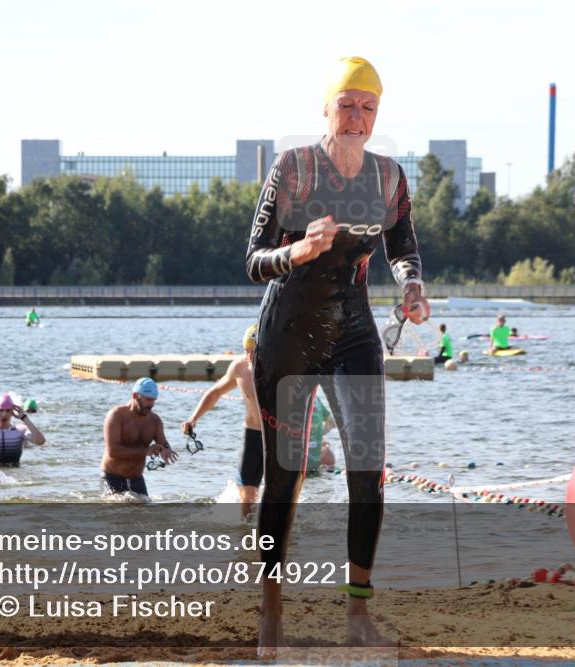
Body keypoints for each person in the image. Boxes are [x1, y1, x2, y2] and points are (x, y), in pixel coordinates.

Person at [245, 56, 429, 653]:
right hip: (289, 333)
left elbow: (403, 244)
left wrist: (410, 284)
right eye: (346, 104)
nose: (356, 117)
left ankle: (358, 612)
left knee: (369, 472)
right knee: (286, 474)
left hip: (353, 331)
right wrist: (296, 250)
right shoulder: (293, 168)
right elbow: (253, 260)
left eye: (368, 107)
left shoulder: (388, 176)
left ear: (379, 114)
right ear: (325, 109)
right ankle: (271, 607)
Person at [181, 325, 264, 518]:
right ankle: (246, 532)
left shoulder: (278, 368)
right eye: (246, 351)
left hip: (276, 437)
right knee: (248, 493)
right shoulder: (240, 368)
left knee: (279, 494)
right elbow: (216, 392)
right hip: (252, 435)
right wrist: (194, 418)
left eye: (254, 351)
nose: (250, 356)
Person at [102, 377, 177, 496]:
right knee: (116, 511)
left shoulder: (155, 421)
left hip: (137, 480)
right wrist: (146, 451)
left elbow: (163, 443)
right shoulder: (116, 416)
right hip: (113, 478)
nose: (151, 404)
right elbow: (113, 451)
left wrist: (167, 449)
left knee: (146, 512)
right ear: (135, 395)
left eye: (153, 400)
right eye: (148, 400)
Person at [305, 392, 336, 475]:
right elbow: (332, 422)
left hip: (299, 458)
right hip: (317, 458)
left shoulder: (290, 398)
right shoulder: (316, 399)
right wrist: (318, 435)